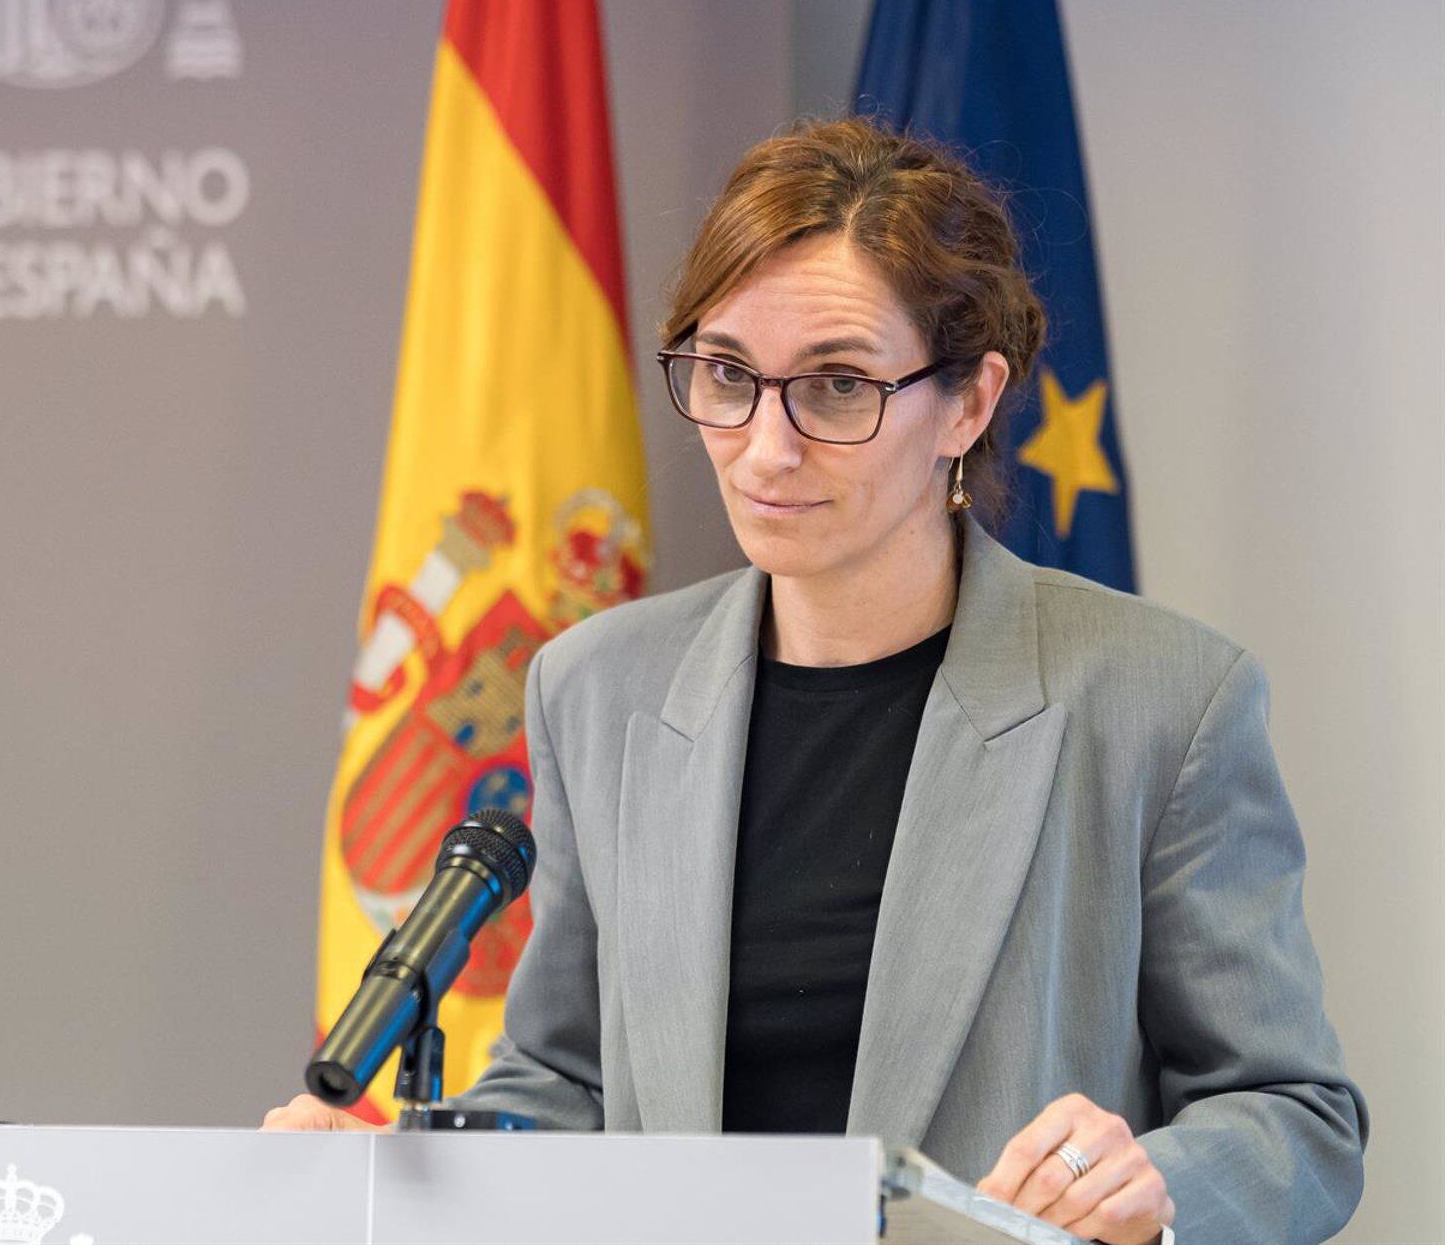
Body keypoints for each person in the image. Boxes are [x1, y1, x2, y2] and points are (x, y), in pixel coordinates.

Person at [263, 118, 1366, 1245]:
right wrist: (410, 1177)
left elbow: (1298, 1118)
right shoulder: (596, 688)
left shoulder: (1163, 700)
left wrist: (1158, 1180)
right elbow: (563, 1083)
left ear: (970, 403)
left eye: (837, 386)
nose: (765, 447)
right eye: (729, 374)